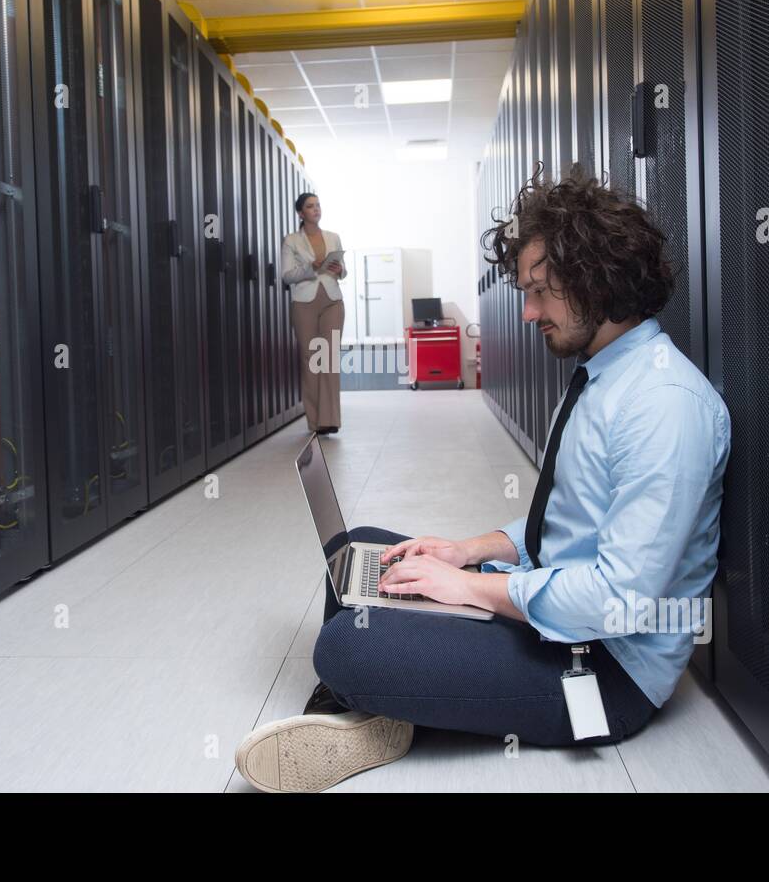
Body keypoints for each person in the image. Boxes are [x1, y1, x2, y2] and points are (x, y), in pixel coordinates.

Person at [234, 163, 731, 793]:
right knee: (364, 546)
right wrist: (466, 553)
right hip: (554, 607)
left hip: (603, 667)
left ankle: (367, 698)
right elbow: (565, 523)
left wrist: (472, 591)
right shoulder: (606, 375)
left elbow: (619, 600)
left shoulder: (664, 403)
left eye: (540, 290)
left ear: (596, 279)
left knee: (345, 648)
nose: (527, 313)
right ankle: (379, 703)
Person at [282, 192, 346, 435]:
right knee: (311, 360)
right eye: (310, 206)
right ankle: (315, 420)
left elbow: (343, 272)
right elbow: (287, 276)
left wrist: (339, 269)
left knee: (328, 357)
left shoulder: (333, 237)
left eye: (318, 205)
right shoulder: (291, 241)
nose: (316, 209)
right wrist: (312, 268)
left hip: (332, 299)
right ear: (301, 213)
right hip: (304, 302)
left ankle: (330, 420)